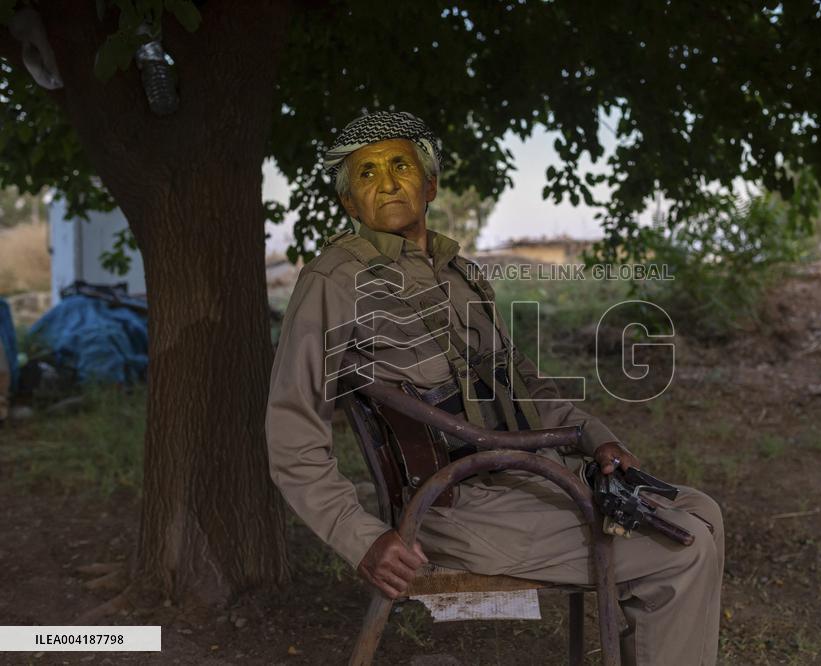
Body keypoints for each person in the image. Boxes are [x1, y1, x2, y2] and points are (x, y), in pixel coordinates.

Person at [265, 111, 724, 665]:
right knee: (684, 548)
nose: (386, 183)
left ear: (429, 184)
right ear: (348, 202)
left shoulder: (459, 272)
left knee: (702, 511)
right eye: (365, 174)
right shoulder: (335, 281)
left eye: (399, 166)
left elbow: (520, 384)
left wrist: (593, 436)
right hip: (451, 507)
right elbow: (291, 431)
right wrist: (358, 536)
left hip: (515, 479)